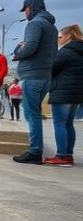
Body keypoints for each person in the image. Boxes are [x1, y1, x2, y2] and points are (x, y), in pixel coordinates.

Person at [11, 0, 58, 163]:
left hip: (32, 75)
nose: (25, 13)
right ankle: (36, 149)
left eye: (26, 9)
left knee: (32, 115)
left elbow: (29, 48)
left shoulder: (35, 24)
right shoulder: (52, 27)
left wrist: (17, 53)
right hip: (46, 75)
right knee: (35, 113)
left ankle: (35, 151)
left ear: (32, 7)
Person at [45, 24, 83, 166]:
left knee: (60, 124)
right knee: (68, 124)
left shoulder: (66, 52)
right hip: (76, 93)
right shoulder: (79, 51)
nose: (58, 40)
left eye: (60, 37)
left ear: (68, 36)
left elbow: (51, 68)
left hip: (62, 91)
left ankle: (61, 156)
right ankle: (68, 155)